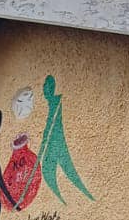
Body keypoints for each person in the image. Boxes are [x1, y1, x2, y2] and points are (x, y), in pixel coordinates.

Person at [38, 75, 94, 204]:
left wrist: (42, 150)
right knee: (51, 175)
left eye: (46, 87)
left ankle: (80, 198)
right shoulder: (52, 104)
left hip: (58, 145)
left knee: (67, 173)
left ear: (51, 88)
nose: (44, 90)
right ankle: (67, 200)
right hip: (53, 146)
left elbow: (49, 129)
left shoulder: (57, 103)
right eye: (43, 87)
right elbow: (46, 132)